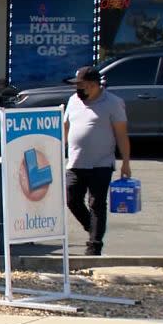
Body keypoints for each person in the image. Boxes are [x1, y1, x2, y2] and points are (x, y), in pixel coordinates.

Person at [64, 66, 131, 256]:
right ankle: (92, 227)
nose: (78, 90)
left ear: (94, 85)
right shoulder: (73, 100)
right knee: (72, 200)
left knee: (97, 204)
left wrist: (126, 162)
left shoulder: (113, 103)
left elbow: (121, 134)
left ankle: (94, 245)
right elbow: (66, 127)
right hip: (76, 162)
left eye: (82, 86)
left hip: (101, 163)